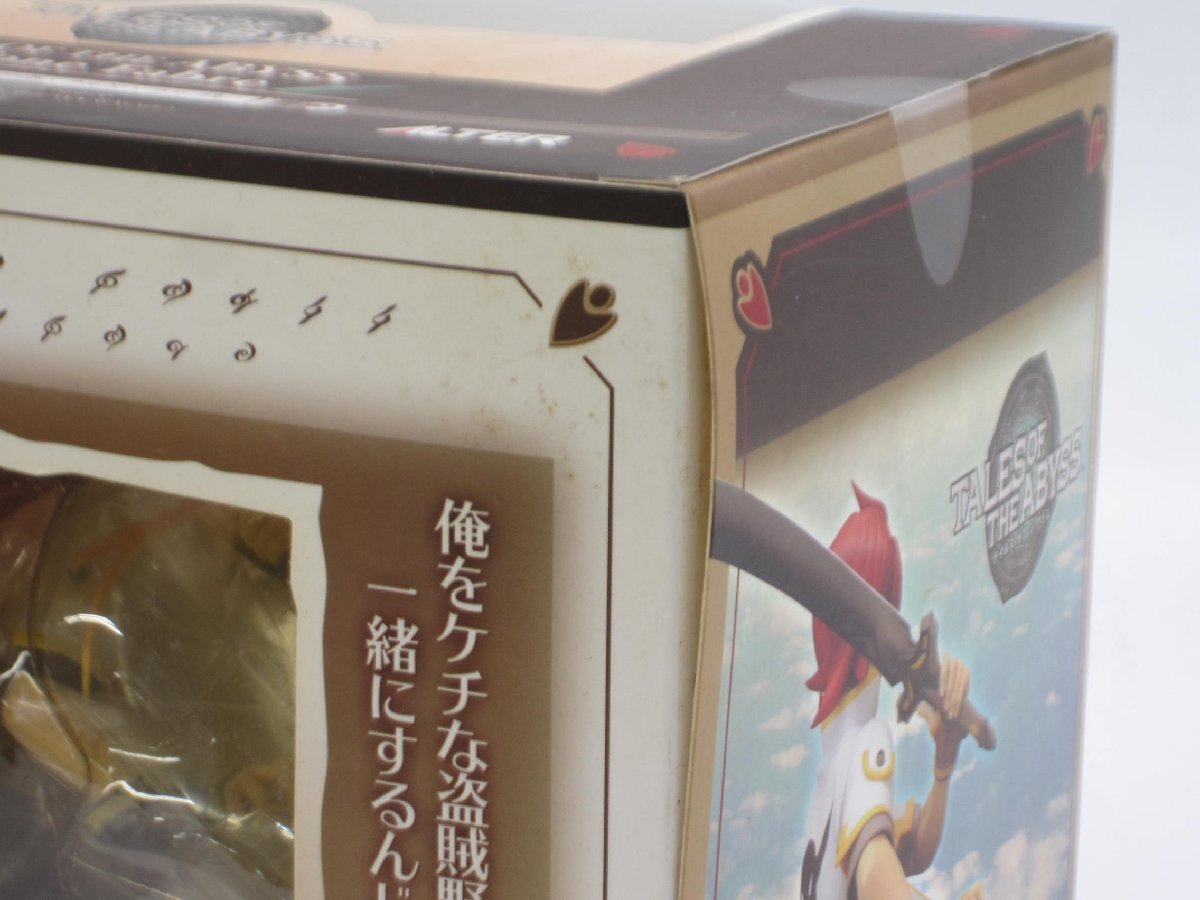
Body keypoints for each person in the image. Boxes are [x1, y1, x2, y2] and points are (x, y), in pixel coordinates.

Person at [800, 484, 972, 900]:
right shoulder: (867, 742)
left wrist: (943, 766)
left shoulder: (833, 762)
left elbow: (912, 852)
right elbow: (880, 882)